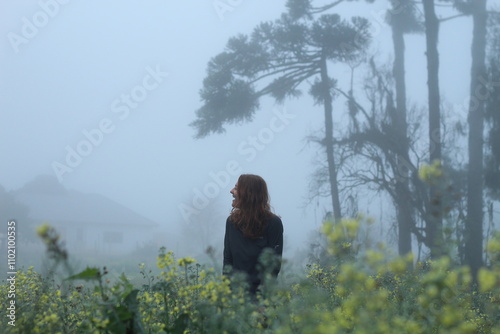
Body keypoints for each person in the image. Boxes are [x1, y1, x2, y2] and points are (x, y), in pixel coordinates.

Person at [223, 174, 284, 296]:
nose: (231, 191)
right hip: (235, 298)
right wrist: (227, 296)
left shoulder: (273, 223)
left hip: (261, 299)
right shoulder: (231, 222)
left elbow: (273, 267)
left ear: (248, 194)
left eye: (236, 188)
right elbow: (228, 262)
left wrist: (262, 301)